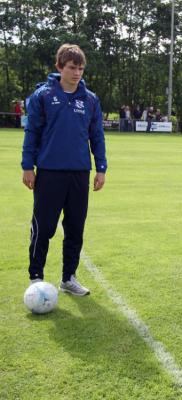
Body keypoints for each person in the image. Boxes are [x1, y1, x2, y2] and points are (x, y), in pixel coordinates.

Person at [21, 43, 107, 295]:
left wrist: (100, 168)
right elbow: (32, 133)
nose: (77, 73)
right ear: (59, 67)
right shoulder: (43, 96)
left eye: (80, 68)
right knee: (44, 226)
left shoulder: (90, 99)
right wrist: (28, 166)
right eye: (72, 67)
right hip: (49, 172)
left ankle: (68, 278)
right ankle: (36, 278)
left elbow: (97, 135)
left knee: (75, 228)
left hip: (79, 173)